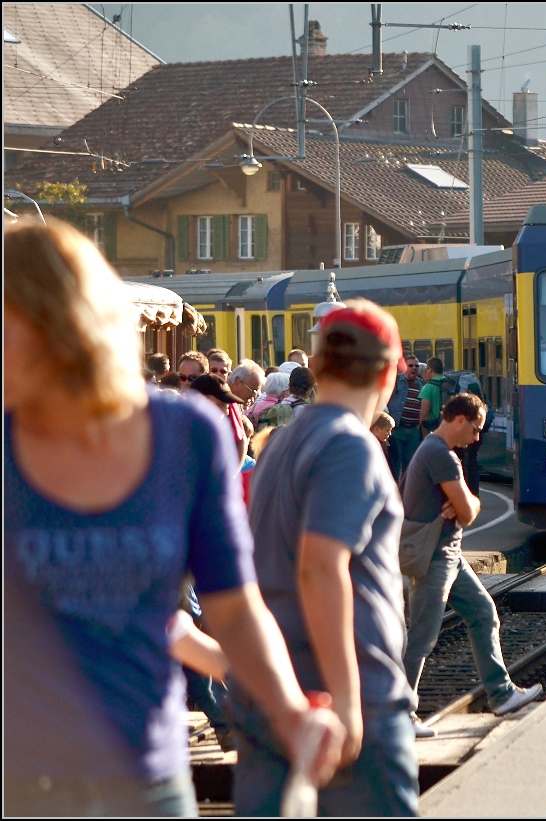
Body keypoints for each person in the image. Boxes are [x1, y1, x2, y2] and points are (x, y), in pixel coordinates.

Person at [3, 217, 342, 816]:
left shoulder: (184, 437)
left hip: (147, 784)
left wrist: (290, 709)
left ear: (60, 326)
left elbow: (233, 609)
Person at [233, 299, 419, 816]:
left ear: (315, 366)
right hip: (342, 698)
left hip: (272, 696)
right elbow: (320, 566)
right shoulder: (350, 445)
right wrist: (348, 700)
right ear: (388, 373)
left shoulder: (279, 445)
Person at [403, 392, 544, 739]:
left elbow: (464, 507)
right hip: (436, 558)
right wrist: (467, 501)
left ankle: (502, 694)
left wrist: (465, 501)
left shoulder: (431, 450)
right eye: (476, 428)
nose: (477, 437)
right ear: (460, 420)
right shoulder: (441, 455)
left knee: (483, 614)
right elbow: (467, 513)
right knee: (421, 637)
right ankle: (399, 715)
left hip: (450, 556)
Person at [386, 355, 424, 481]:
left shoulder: (421, 384)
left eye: (416, 366)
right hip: (397, 430)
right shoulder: (396, 381)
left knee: (410, 465)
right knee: (395, 464)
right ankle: (394, 489)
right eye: (411, 365)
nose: (414, 368)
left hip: (413, 431)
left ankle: (406, 490)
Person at [417, 356, 450, 433]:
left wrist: (425, 436)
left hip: (434, 430)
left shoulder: (428, 387)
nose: (426, 372)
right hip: (449, 429)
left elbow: (424, 415)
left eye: (426, 369)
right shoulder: (449, 384)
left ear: (430, 370)